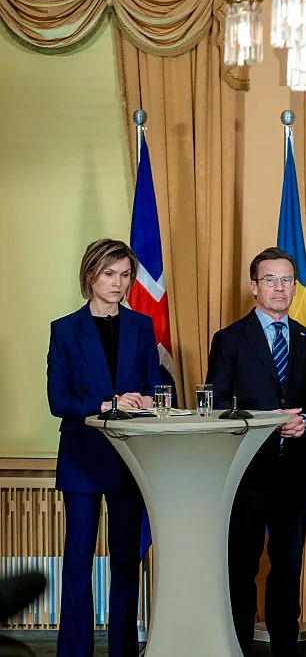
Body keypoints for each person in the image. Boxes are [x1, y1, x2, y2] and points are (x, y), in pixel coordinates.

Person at [207, 247, 306, 657]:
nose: (280, 288)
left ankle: (285, 648)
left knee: (287, 571)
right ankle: (238, 648)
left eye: (287, 280)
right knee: (241, 571)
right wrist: (264, 421)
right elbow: (217, 403)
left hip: (297, 476)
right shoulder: (229, 339)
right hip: (247, 474)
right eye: (270, 280)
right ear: (253, 287)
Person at [46, 238, 161, 657]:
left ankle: (123, 651)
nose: (119, 282)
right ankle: (73, 652)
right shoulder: (64, 329)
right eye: (110, 273)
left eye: (126, 274)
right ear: (90, 275)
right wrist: (105, 403)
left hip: (130, 457)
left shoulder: (141, 327)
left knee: (126, 561)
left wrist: (150, 400)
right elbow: (58, 401)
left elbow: (153, 388)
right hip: (82, 456)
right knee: (77, 561)